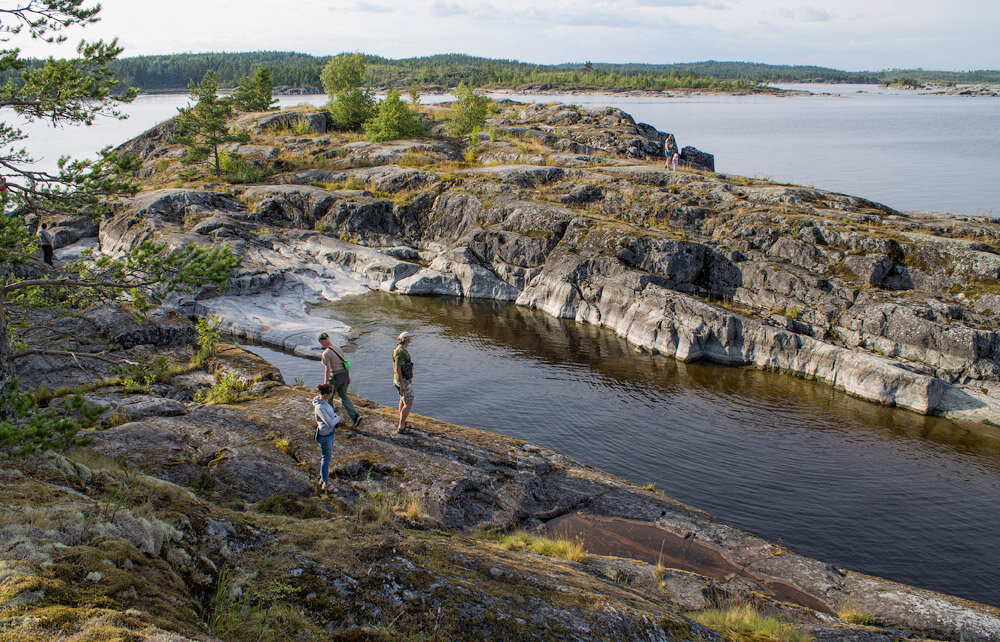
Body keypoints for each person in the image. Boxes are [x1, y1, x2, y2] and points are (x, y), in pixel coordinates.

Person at [319, 332, 362, 428]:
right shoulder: (337, 348)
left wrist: (325, 384)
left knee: (328, 399)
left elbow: (328, 369)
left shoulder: (326, 353)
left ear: (322, 342)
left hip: (335, 377)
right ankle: (355, 417)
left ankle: (333, 420)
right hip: (345, 376)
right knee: (344, 396)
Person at [312, 382, 341, 493]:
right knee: (326, 459)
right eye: (331, 393)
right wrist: (338, 418)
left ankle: (322, 478)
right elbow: (329, 422)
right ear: (327, 394)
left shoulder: (324, 402)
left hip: (330, 434)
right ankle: (326, 483)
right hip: (325, 436)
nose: (332, 394)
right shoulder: (319, 407)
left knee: (327, 458)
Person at [393, 331, 415, 434]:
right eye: (409, 338)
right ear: (406, 339)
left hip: (401, 381)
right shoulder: (400, 352)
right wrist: (402, 384)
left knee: (403, 400)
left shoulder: (400, 349)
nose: (410, 339)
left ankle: (402, 421)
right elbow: (398, 369)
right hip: (404, 381)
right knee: (408, 403)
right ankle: (401, 427)